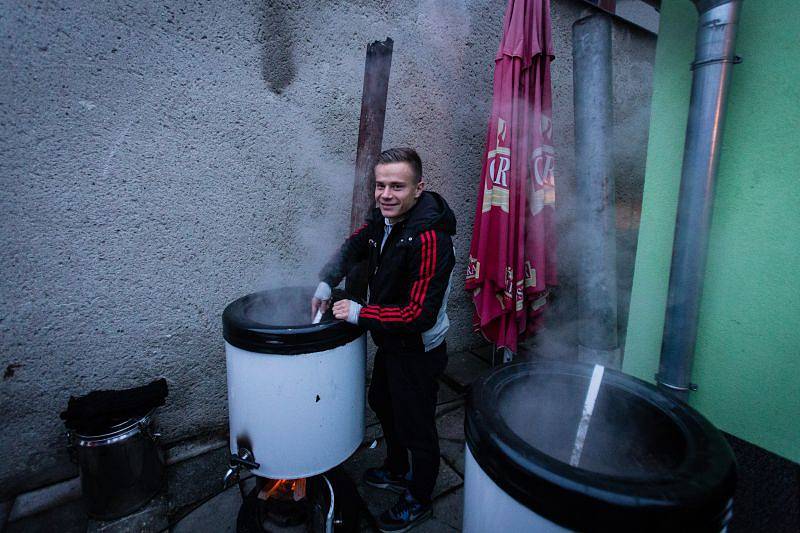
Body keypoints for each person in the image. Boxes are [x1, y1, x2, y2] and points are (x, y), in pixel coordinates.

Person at [311, 147, 456, 532]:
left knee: (417, 424)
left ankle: (420, 497)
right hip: (392, 341)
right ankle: (395, 467)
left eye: (397, 186)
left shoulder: (430, 239)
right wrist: (327, 281)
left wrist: (360, 313)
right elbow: (351, 248)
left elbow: (418, 315)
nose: (386, 194)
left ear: (419, 188)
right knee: (383, 402)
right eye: (380, 185)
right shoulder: (383, 220)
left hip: (419, 348)